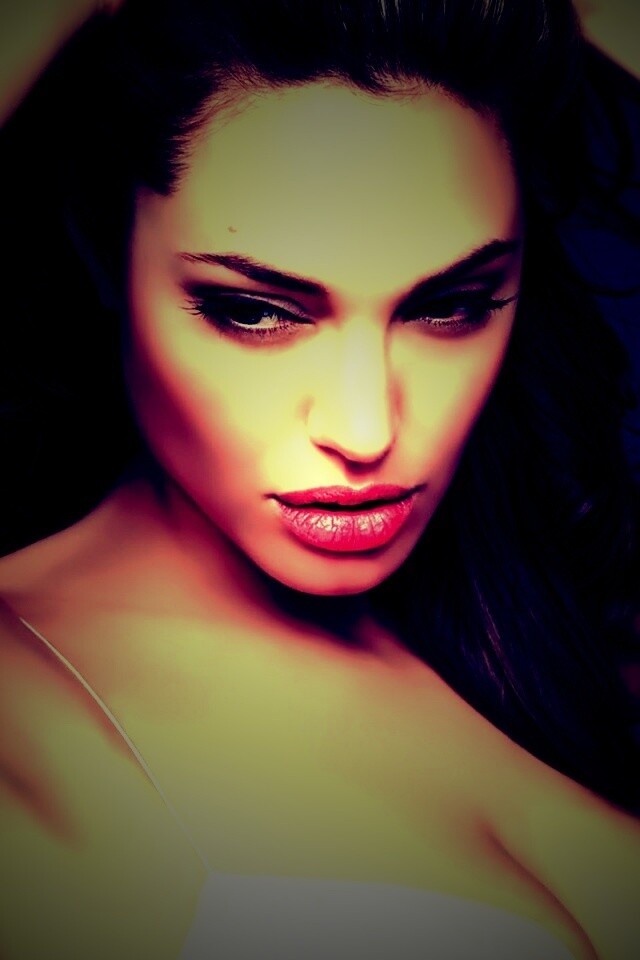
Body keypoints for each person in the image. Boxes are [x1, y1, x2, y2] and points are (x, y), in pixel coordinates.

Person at [0, 0, 639, 957]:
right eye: (256, 313)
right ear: (104, 248)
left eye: (450, 306)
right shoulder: (20, 701)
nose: (366, 430)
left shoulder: (540, 632)